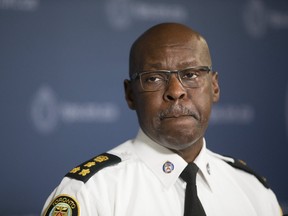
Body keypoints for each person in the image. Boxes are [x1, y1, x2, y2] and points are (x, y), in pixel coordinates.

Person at [41, 23, 282, 216]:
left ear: (215, 87)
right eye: (154, 78)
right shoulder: (91, 193)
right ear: (130, 94)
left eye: (190, 74)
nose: (176, 91)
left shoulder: (254, 192)